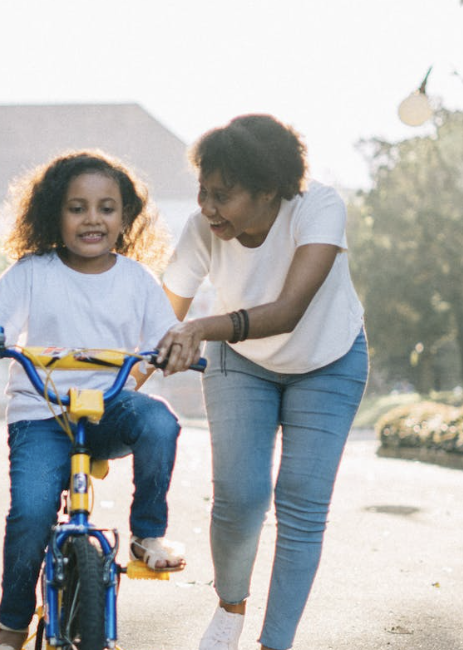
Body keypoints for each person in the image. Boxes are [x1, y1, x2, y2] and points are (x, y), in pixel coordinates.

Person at [0, 150, 186, 650]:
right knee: (31, 515)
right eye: (77, 208)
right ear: (55, 213)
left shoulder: (138, 280)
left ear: (125, 218)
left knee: (160, 421)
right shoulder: (34, 271)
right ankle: (12, 626)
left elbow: (167, 340)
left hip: (107, 410)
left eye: (106, 207)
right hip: (41, 415)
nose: (92, 219)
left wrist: (174, 352)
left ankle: (147, 534)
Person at [154, 114, 369, 650]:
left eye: (222, 195)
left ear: (269, 190)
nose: (207, 208)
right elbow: (160, 317)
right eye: (203, 192)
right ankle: (230, 606)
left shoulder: (319, 208)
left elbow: (290, 310)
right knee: (240, 495)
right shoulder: (204, 228)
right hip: (241, 361)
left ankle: (276, 643)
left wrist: (201, 327)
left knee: (301, 500)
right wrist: (114, 385)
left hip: (329, 360)